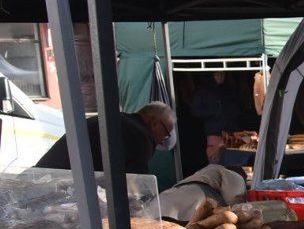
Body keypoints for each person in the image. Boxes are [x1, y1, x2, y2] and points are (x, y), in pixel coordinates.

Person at [36, 102, 176, 176]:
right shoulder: (141, 137)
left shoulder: (118, 121)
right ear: (155, 123)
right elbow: (136, 182)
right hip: (59, 182)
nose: (162, 141)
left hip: (45, 173)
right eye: (165, 134)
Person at [190, 71, 240, 164]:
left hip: (229, 132)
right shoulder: (203, 91)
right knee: (214, 159)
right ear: (212, 75)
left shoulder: (229, 91)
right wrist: (215, 113)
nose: (220, 77)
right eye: (217, 74)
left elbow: (237, 108)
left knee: (230, 160)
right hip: (213, 132)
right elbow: (195, 111)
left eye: (222, 74)